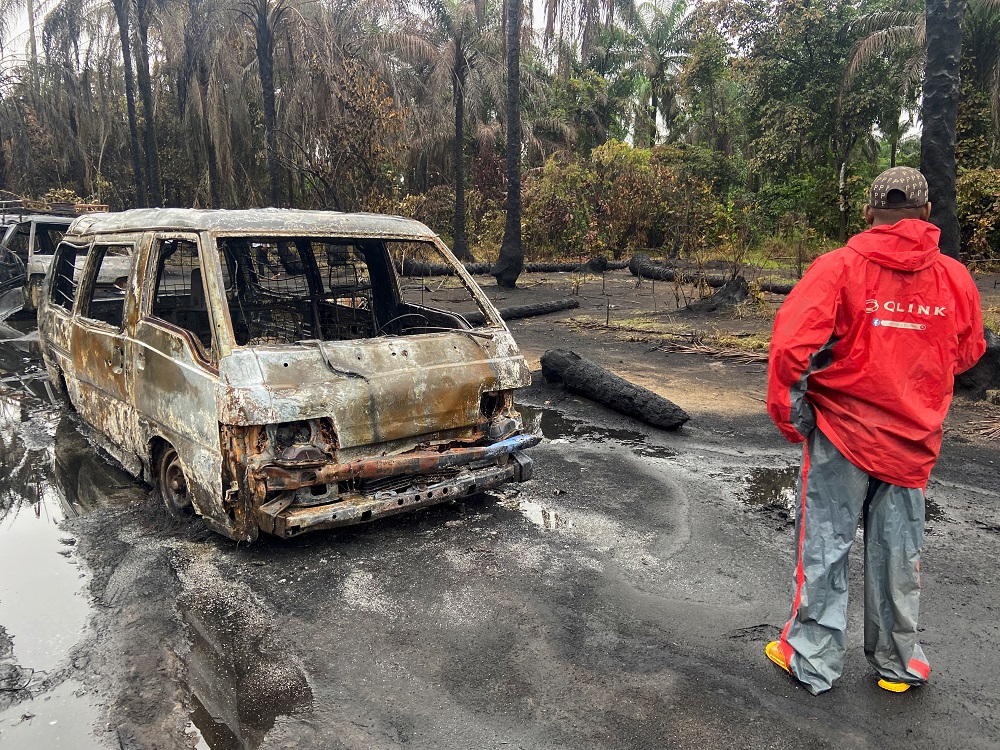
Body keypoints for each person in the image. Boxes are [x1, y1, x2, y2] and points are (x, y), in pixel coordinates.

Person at [764, 166, 986, 695]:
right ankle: (898, 664)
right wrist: (916, 381)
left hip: (841, 436)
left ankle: (812, 660)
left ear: (868, 213)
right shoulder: (955, 278)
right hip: (913, 443)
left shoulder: (838, 268)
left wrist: (793, 418)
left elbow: (789, 349)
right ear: (927, 214)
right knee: (898, 554)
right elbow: (969, 350)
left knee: (825, 546)